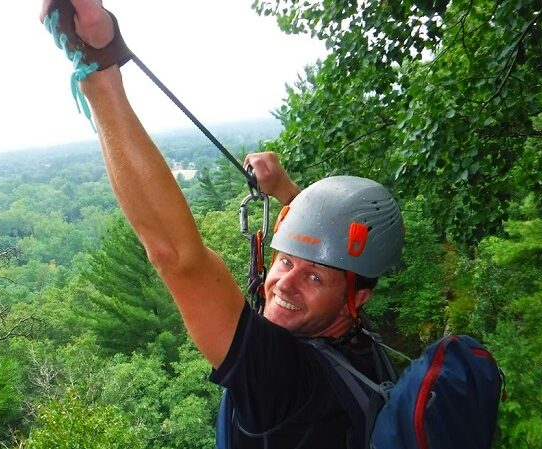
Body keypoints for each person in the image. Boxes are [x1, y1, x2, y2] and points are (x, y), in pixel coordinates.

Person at [38, 1, 403, 447]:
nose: (284, 284)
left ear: (355, 299)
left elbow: (175, 257)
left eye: (313, 278)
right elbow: (333, 253)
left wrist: (97, 69)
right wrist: (289, 193)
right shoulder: (359, 343)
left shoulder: (284, 381)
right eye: (286, 261)